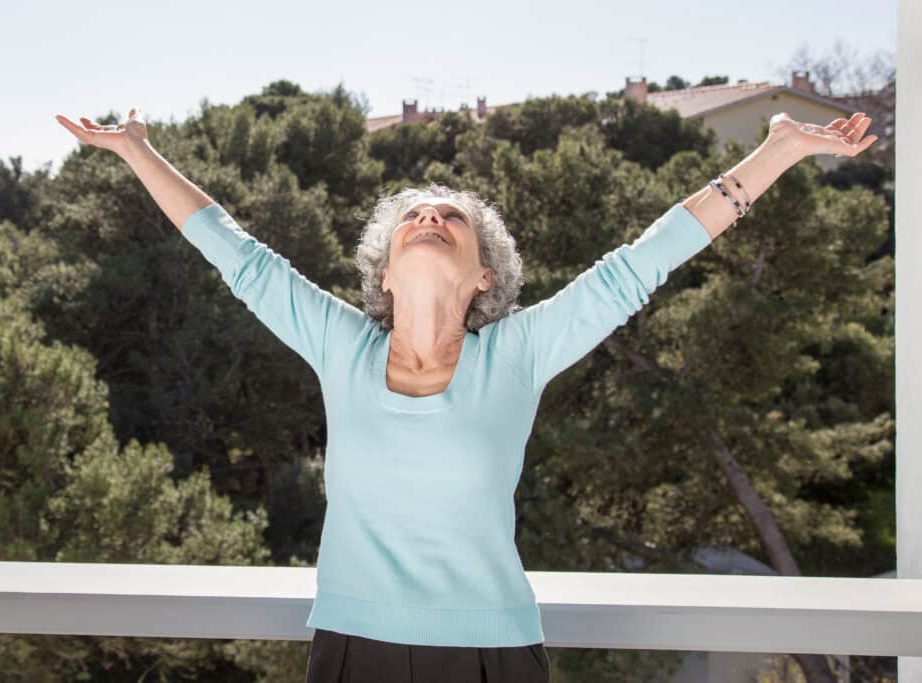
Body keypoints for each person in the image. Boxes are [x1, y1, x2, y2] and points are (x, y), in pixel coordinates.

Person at [55, 107, 876, 683]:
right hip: (351, 646)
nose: (431, 214)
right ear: (382, 269)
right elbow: (236, 253)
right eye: (414, 213)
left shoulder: (514, 356)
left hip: (492, 655)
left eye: (452, 215)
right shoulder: (342, 345)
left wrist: (781, 148)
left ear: (486, 275)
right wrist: (135, 151)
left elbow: (644, 259)